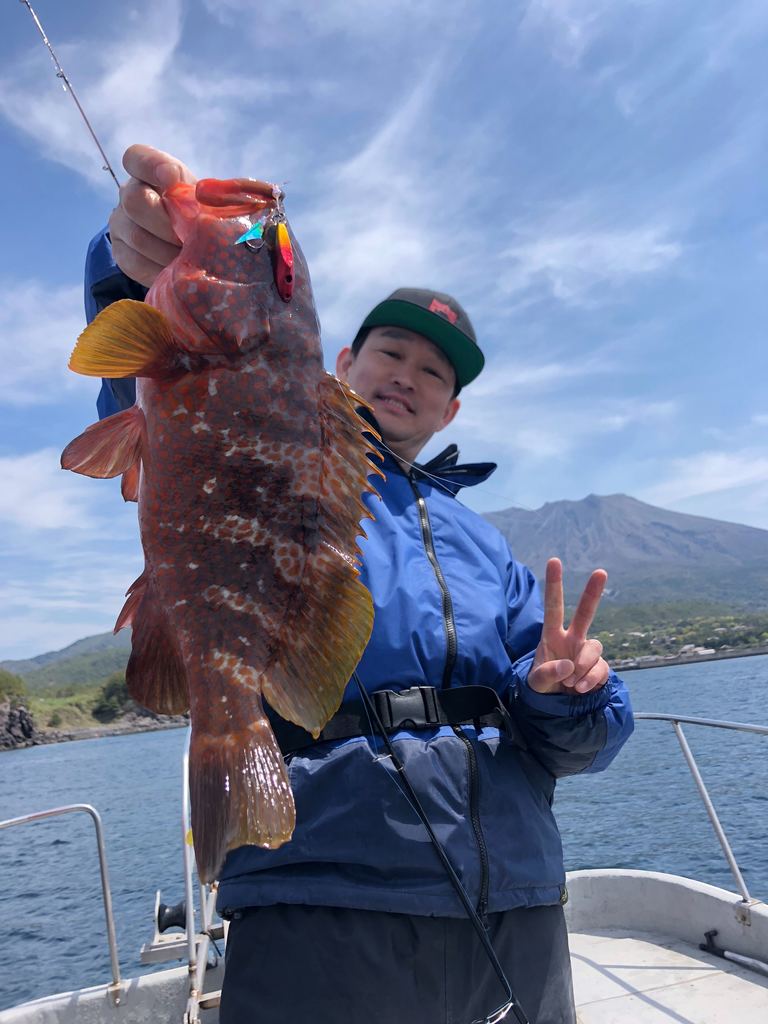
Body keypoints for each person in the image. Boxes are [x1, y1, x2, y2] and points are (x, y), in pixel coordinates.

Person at [85, 145, 634, 1024]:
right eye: (391, 351)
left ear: (452, 409)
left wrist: (573, 695)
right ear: (338, 361)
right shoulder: (290, 460)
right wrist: (124, 267)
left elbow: (582, 745)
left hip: (518, 911)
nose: (407, 376)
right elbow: (143, 389)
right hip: (322, 903)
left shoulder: (491, 550)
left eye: (434, 371)